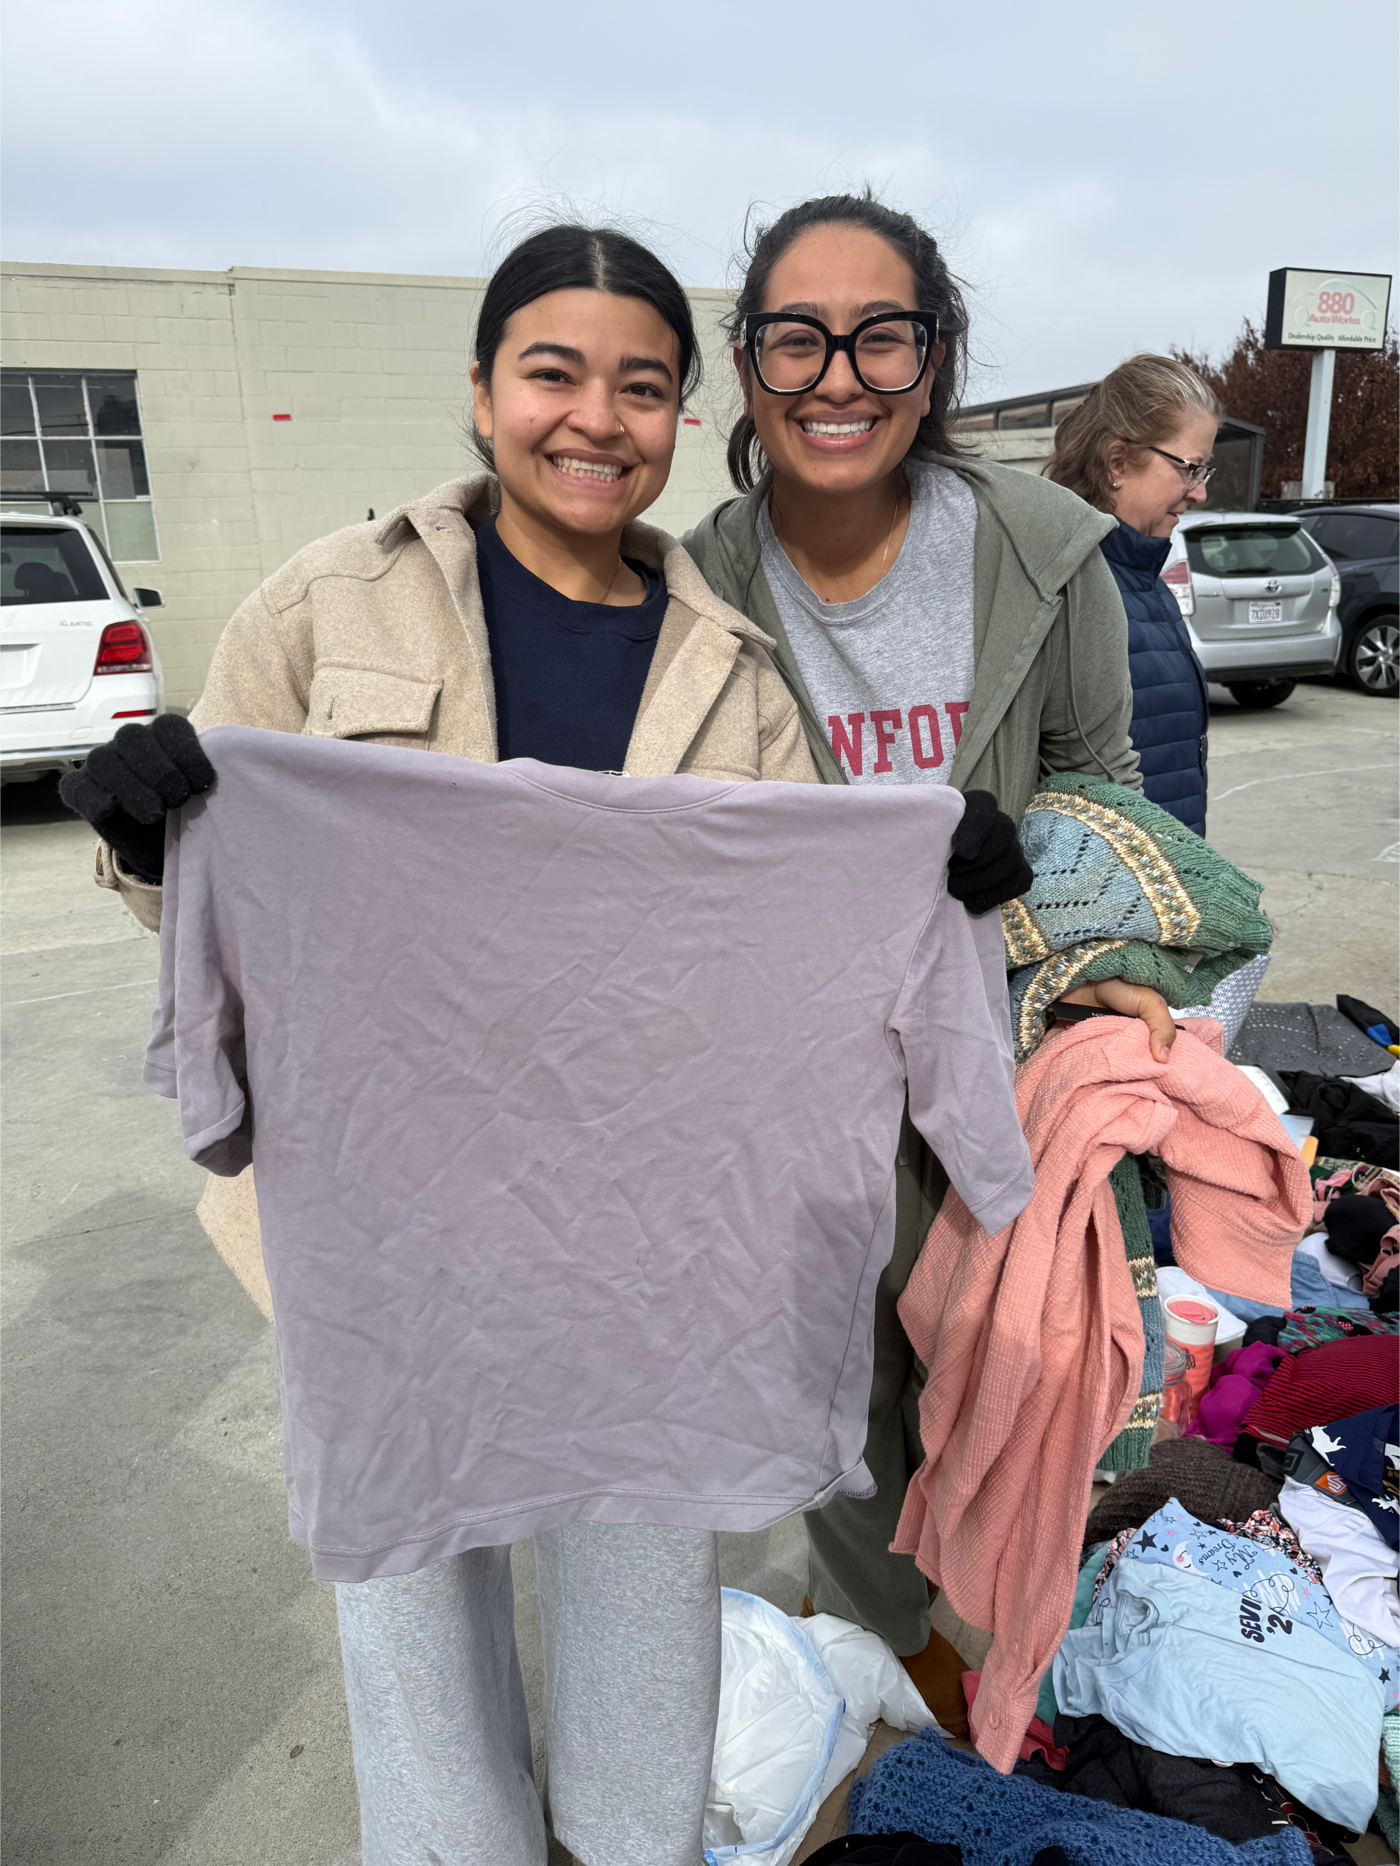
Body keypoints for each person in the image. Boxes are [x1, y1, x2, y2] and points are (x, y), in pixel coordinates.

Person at [61, 222, 1026, 1864]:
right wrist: (152, 835)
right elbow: (225, 892)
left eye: (643, 385)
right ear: (484, 390)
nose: (598, 417)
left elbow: (805, 942)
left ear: (678, 416)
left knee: (642, 1643)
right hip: (392, 1232)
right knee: (418, 1657)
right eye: (555, 372)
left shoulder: (730, 670)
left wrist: (938, 880)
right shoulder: (325, 603)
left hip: (650, 1239)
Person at [683, 190, 1179, 1732]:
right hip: (797, 1081)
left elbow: (1106, 778)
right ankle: (887, 1662)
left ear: (937, 353)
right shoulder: (690, 579)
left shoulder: (1040, 551)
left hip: (1001, 1058)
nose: (839, 376)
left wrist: (1037, 881)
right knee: (839, 1405)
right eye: (796, 336)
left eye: (881, 333)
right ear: (748, 363)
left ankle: (1005, 1636)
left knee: (1014, 1379)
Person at [1046, 354, 1220, 835]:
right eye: (1190, 469)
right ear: (1118, 463)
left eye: (1204, 472)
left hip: (1161, 881)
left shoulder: (1147, 582)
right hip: (1113, 893)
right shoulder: (1064, 588)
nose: (1199, 493)